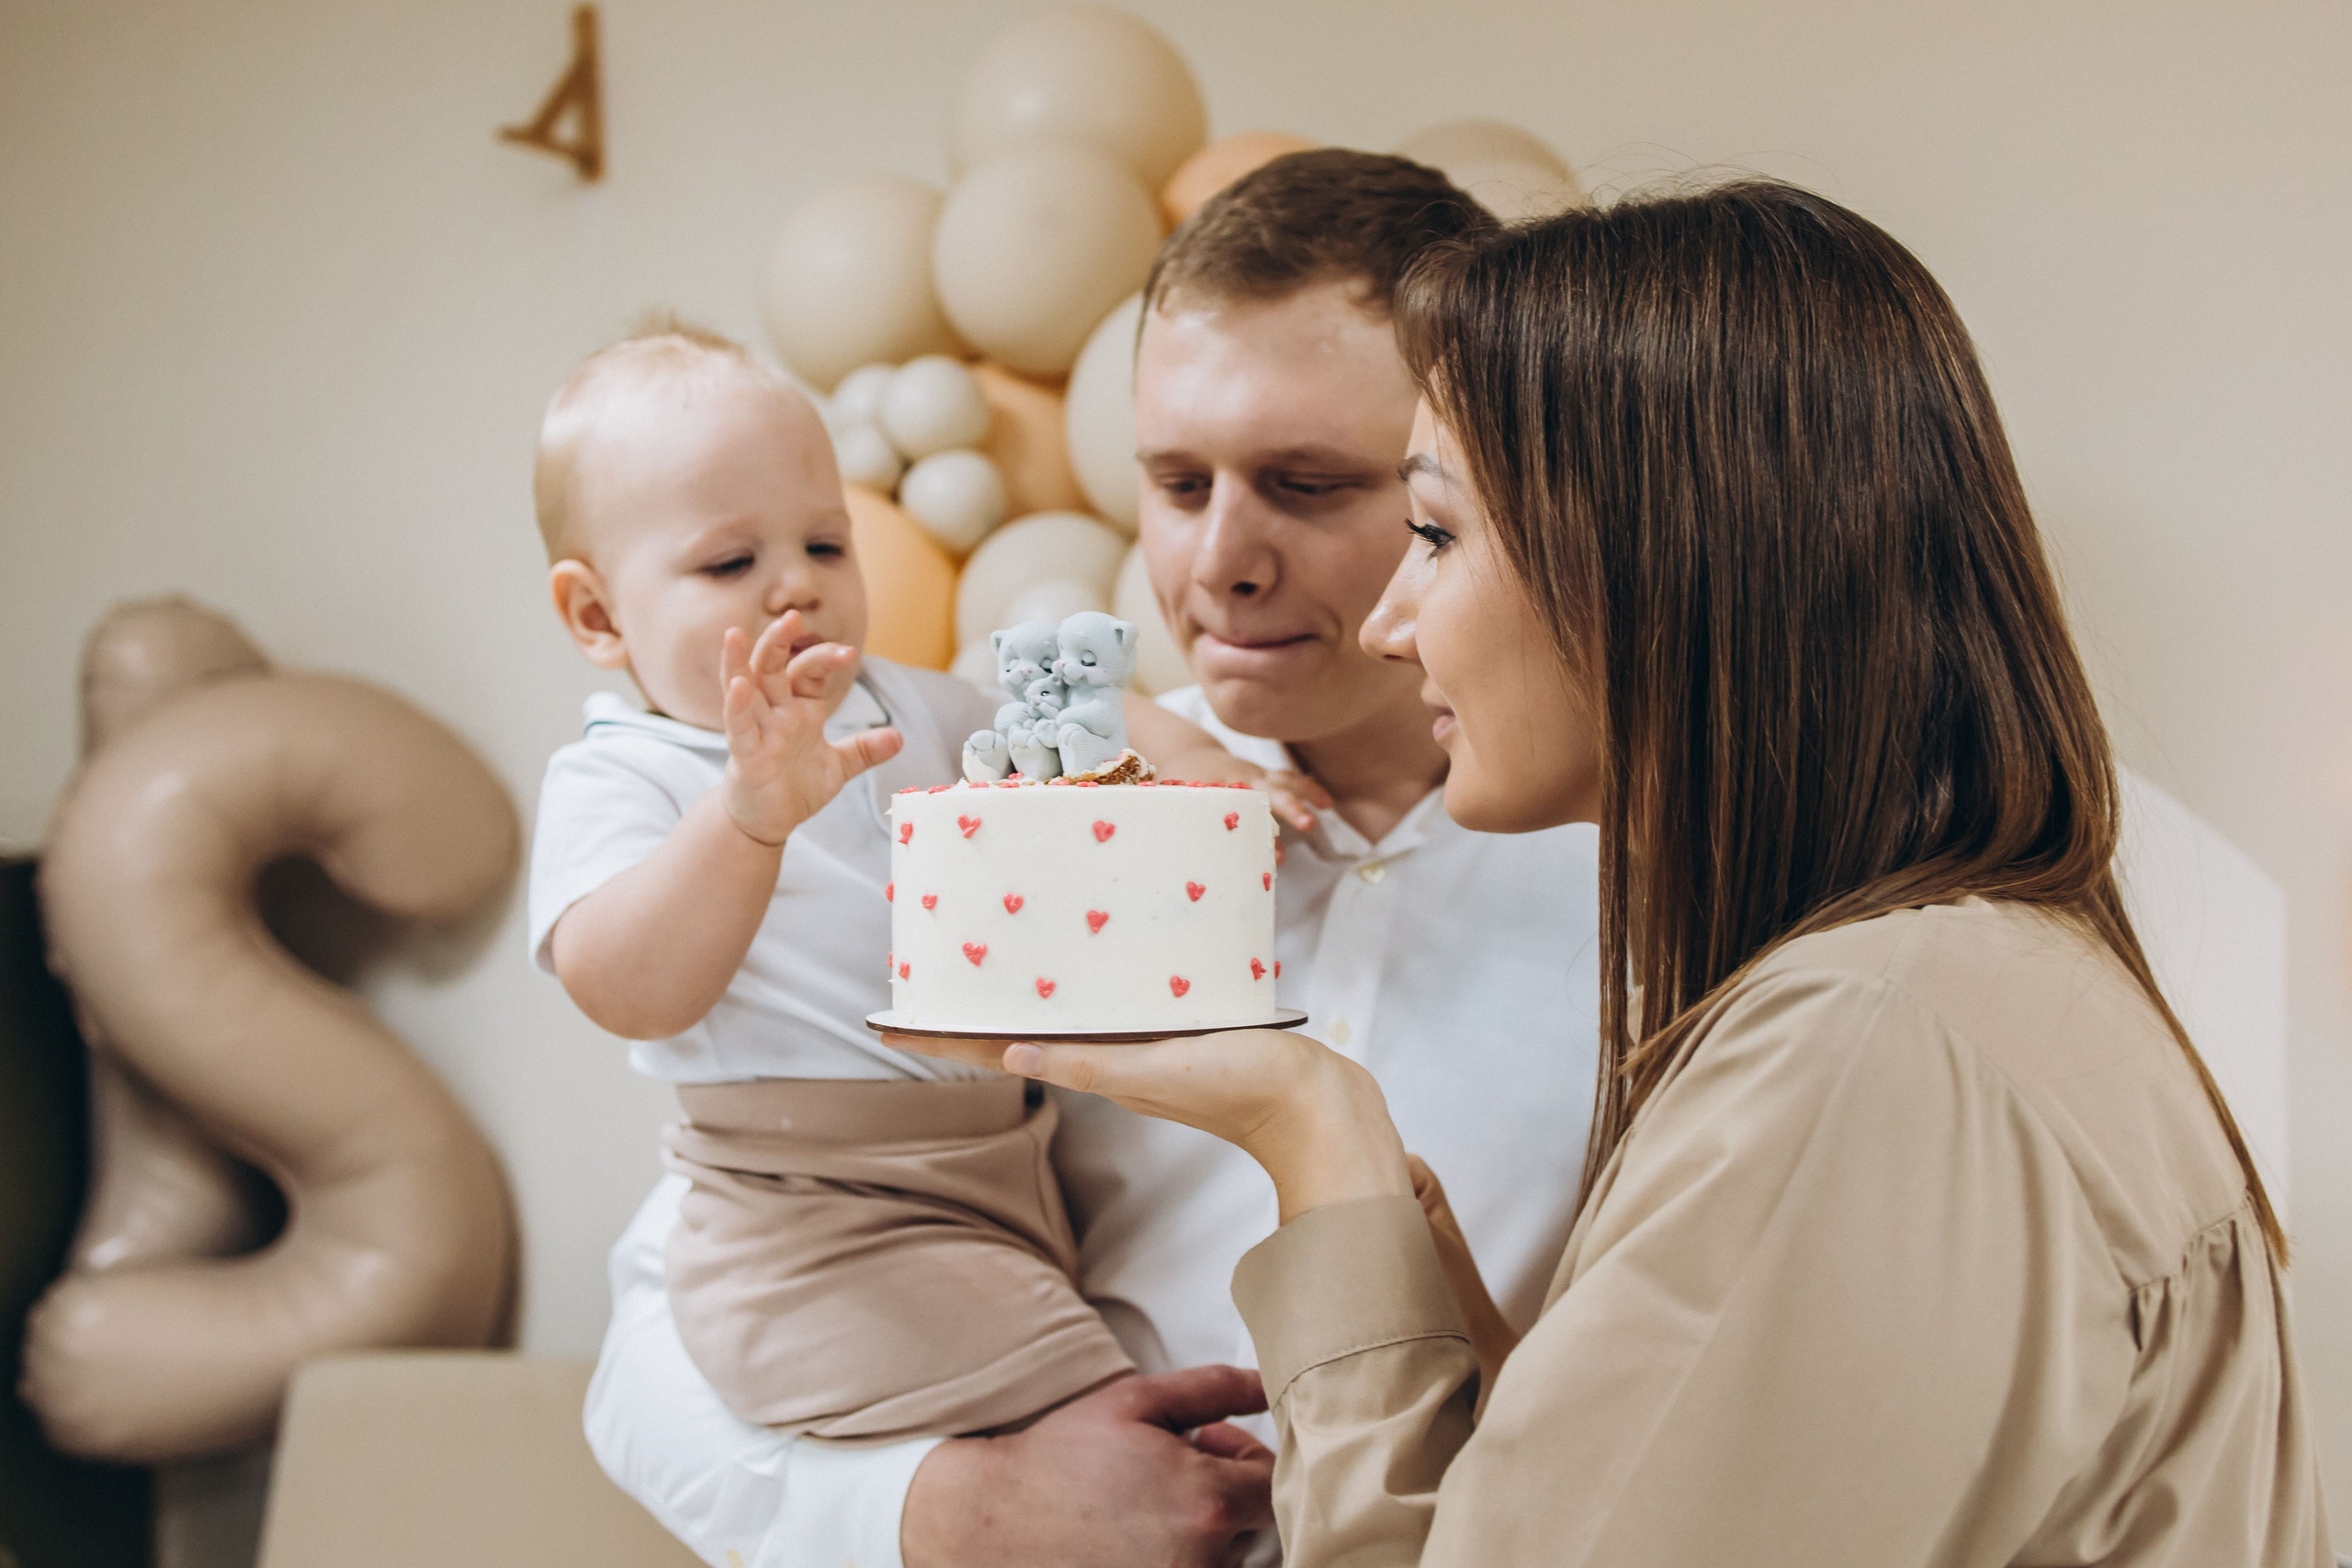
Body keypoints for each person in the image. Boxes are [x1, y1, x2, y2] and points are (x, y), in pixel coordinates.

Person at [900, 180, 2336, 1566]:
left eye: (1436, 531)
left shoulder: (1874, 1050)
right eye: (1176, 482)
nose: (1396, 622)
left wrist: (1317, 1143)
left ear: (1659, 566)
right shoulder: (1935, 990)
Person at [583, 153, 1604, 1567]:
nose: (1220, 558)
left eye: (1307, 484)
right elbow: (662, 1326)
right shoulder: (999, 806)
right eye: (1178, 481)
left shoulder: (1659, 885)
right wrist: (947, 1513)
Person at [525, 322, 1249, 1450]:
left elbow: (1058, 720)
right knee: (1099, 1431)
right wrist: (744, 821)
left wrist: (1194, 761)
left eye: (825, 545)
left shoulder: (900, 705)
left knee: (1101, 1406)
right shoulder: (629, 774)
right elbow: (627, 991)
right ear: (597, 615)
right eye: (729, 563)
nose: (794, 590)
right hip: (812, 1223)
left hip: (997, 1170)